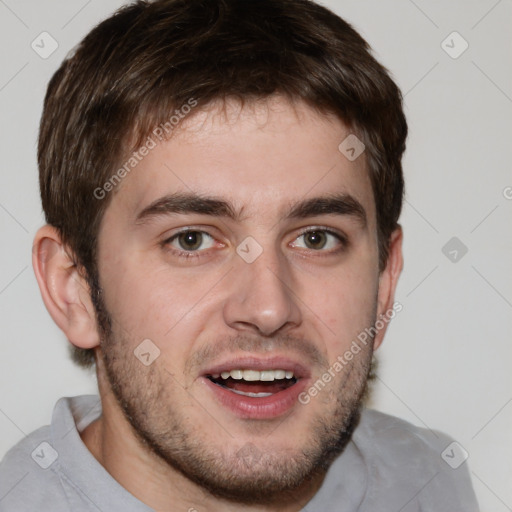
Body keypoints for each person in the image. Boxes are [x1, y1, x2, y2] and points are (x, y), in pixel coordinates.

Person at [0, 0, 479, 510]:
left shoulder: (431, 479)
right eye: (191, 240)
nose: (268, 309)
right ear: (74, 288)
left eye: (317, 238)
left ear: (384, 282)